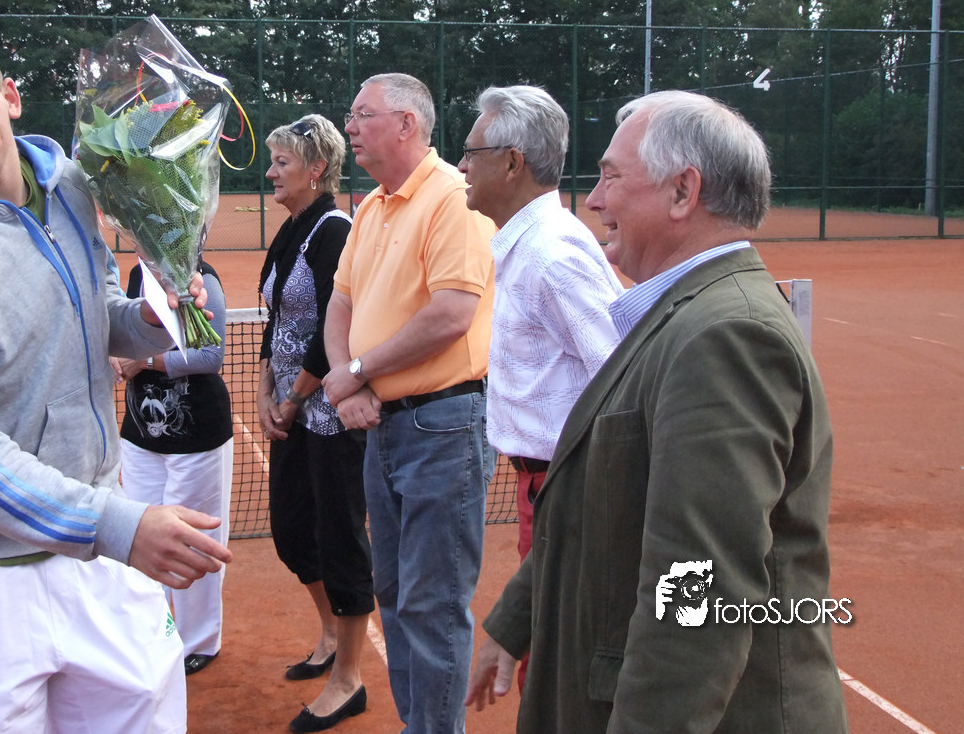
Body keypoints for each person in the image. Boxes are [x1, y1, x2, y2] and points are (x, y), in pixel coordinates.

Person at [0, 18, 232, 734]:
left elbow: (100, 314)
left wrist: (153, 316)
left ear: (9, 96)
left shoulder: (69, 187)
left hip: (101, 554)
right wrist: (120, 527)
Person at [465, 91, 847, 732]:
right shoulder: (676, 316)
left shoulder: (725, 337)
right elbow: (600, 496)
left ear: (682, 192)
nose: (593, 199)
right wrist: (517, 620)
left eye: (611, 177)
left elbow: (698, 584)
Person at [322, 74, 496, 734]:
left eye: (362, 114)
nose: (350, 126)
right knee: (393, 594)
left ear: (406, 124)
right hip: (385, 428)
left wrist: (357, 372)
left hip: (444, 425)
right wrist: (350, 382)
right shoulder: (370, 206)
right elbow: (341, 304)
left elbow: (452, 314)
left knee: (433, 603)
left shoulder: (454, 197)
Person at [457, 85, 623, 687]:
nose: (461, 165)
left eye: (471, 152)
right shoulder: (530, 245)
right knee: (548, 660)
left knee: (557, 669)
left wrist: (586, 499)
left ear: (512, 163)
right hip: (547, 487)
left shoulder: (551, 256)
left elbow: (624, 376)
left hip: (568, 489)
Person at [256, 115, 374, 734]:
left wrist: (295, 396)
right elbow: (276, 319)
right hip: (292, 414)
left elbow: (335, 325)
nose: (270, 172)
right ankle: (330, 633)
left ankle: (349, 679)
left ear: (316, 169)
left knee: (340, 537)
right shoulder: (291, 230)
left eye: (282, 163)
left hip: (331, 418)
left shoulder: (335, 230)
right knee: (292, 532)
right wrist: (264, 390)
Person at [112, 258, 234, 677]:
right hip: (140, 435)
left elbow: (211, 355)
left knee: (193, 540)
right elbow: (123, 335)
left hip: (197, 436)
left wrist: (145, 361)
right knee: (140, 536)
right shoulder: (136, 276)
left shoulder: (203, 279)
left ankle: (199, 640)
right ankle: (152, 634)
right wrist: (117, 355)